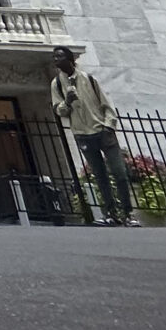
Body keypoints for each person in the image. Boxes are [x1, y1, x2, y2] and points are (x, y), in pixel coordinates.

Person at [51, 46, 138, 226]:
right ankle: (110, 214)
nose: (56, 60)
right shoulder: (57, 84)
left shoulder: (89, 79)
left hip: (102, 131)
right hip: (82, 134)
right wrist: (67, 102)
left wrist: (109, 127)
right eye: (54, 57)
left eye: (59, 56)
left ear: (70, 58)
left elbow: (107, 105)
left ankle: (128, 213)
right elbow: (59, 111)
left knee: (119, 173)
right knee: (100, 176)